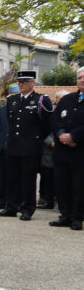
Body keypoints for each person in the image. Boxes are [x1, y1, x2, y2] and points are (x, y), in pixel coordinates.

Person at [0, 70, 53, 221]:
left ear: (33, 83)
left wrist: (37, 138)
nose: (21, 84)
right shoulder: (12, 100)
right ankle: (11, 206)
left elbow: (47, 124)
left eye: (25, 82)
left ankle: (27, 208)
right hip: (14, 144)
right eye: (19, 82)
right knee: (12, 178)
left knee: (28, 179)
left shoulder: (41, 100)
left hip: (31, 145)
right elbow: (12, 122)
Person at [50, 67, 84, 230]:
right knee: (62, 183)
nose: (82, 80)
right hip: (63, 150)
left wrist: (74, 136)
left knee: (79, 185)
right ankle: (65, 214)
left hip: (80, 150)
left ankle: (77, 217)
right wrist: (62, 133)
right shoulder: (67, 99)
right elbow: (55, 118)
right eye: (79, 77)